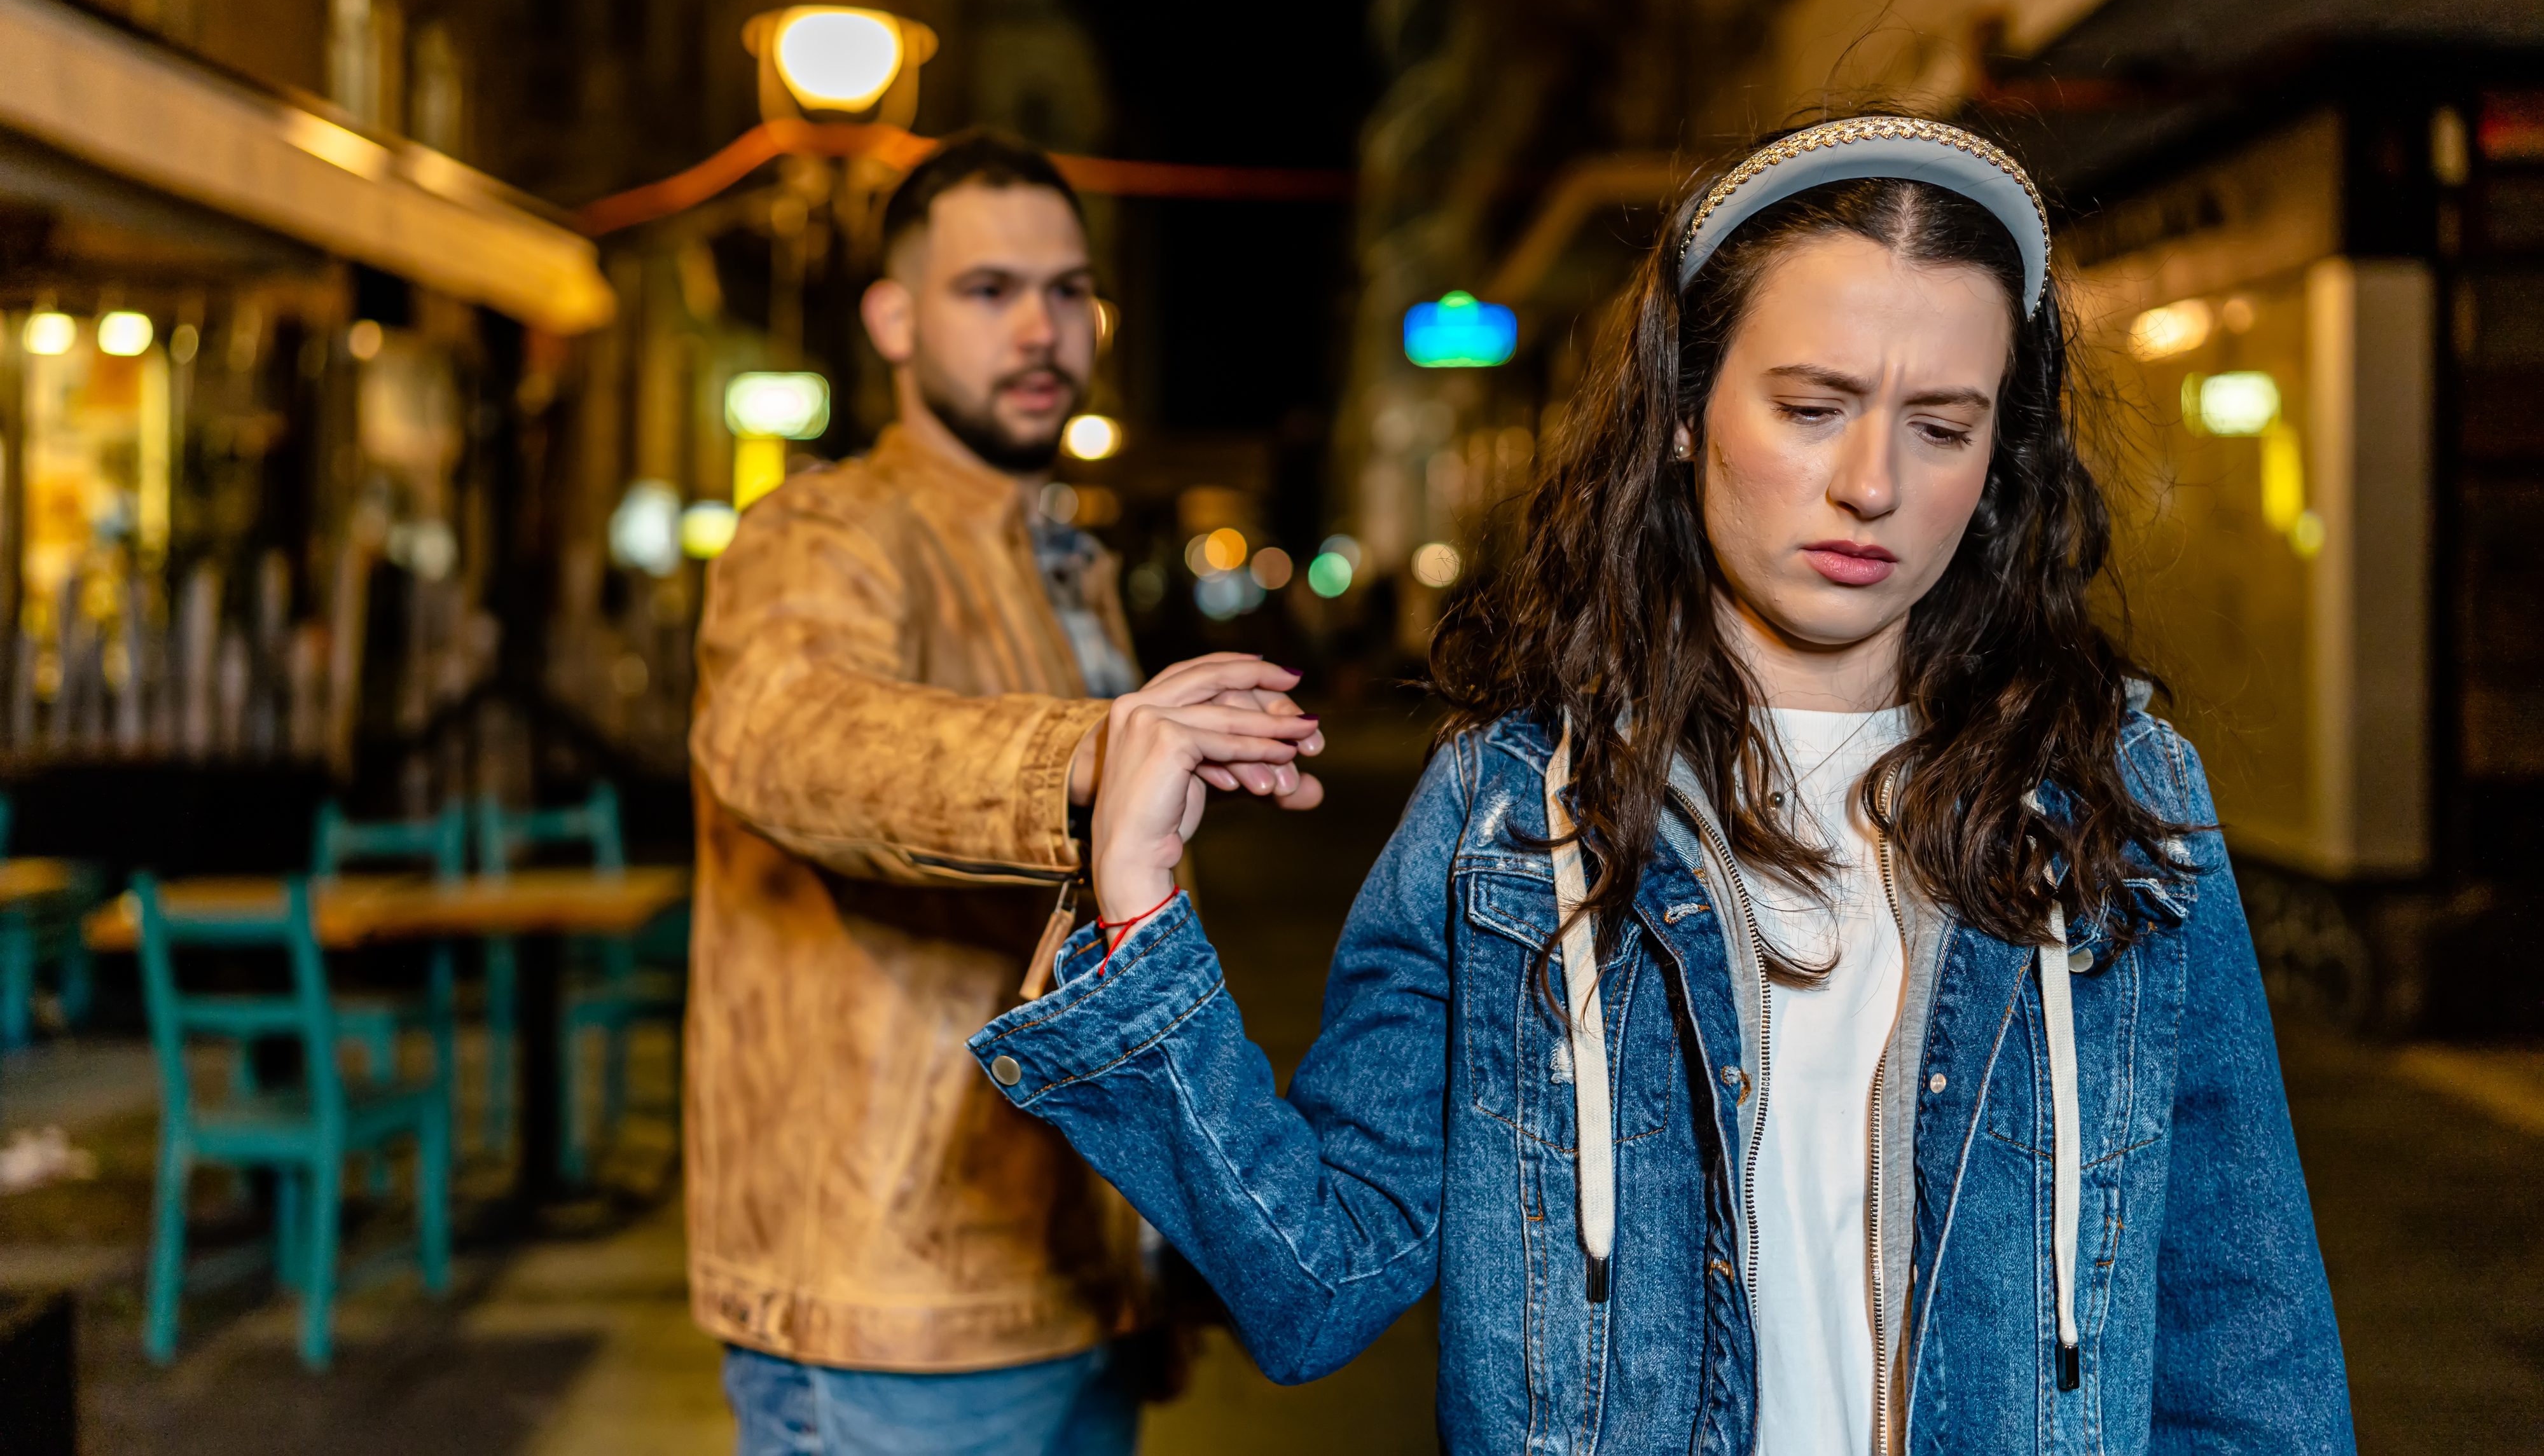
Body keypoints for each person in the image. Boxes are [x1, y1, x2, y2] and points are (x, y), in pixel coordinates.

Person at [967, 115, 2354, 1453]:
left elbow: (2246, 1340)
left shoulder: (2111, 796)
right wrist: (1136, 908)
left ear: (1999, 459)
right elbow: (1317, 1280)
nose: (1871, 483)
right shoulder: (1511, 812)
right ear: (1685, 411)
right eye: (1810, 407)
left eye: (1941, 426)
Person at [689, 129, 1321, 1456]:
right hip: (890, 1316)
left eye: (1067, 290)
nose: (1040, 328)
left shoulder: (1060, 563)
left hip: (1072, 1285)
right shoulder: (822, 530)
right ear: (894, 319)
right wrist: (1083, 753)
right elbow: (788, 733)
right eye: (989, 290)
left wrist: (1152, 1252)